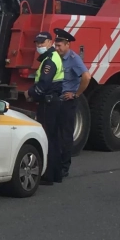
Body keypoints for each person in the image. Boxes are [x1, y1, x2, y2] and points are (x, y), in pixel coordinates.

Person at [54, 28, 92, 179]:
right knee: (55, 134)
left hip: (67, 102)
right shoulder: (56, 57)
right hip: (56, 101)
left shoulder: (74, 59)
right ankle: (55, 165)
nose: (57, 48)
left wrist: (76, 94)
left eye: (59, 46)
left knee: (65, 135)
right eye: (56, 45)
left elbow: (86, 77)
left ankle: (64, 167)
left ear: (67, 45)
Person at [30, 31, 65, 185]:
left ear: (50, 42)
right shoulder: (53, 57)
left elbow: (44, 84)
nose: (39, 46)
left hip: (48, 103)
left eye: (42, 43)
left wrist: (30, 93)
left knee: (47, 138)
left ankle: (48, 175)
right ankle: (56, 173)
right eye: (37, 43)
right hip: (55, 102)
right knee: (54, 138)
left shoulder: (49, 60)